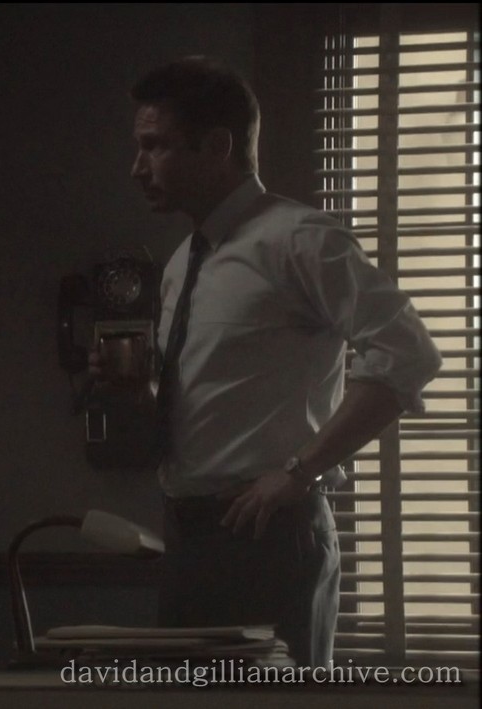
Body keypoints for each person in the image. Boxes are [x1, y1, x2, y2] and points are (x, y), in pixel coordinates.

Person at [92, 56, 441, 666]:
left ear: (217, 146)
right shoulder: (182, 262)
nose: (136, 167)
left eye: (155, 146)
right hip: (188, 539)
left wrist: (300, 472)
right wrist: (135, 392)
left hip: (272, 536)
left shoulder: (301, 240)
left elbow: (408, 352)